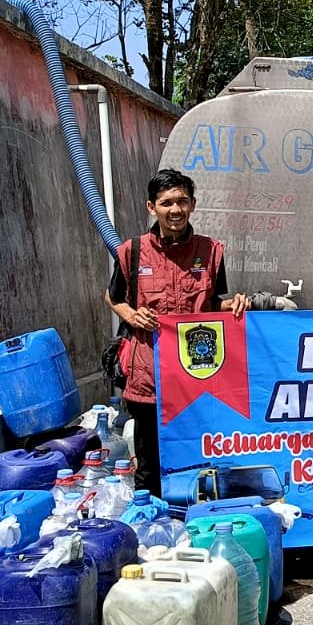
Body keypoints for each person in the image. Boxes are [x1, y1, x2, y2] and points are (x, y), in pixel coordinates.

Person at [105, 168, 246, 497]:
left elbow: (212, 304)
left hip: (197, 376)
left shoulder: (211, 251)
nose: (176, 210)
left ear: (193, 205)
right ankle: (152, 523)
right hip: (148, 376)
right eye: (167, 202)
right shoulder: (132, 251)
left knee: (198, 457)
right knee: (150, 464)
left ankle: (196, 520)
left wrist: (235, 304)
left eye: (182, 201)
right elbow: (113, 297)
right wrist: (132, 315)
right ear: (151, 207)